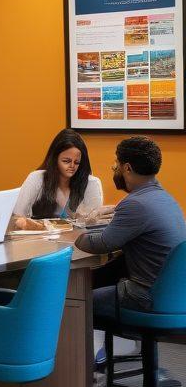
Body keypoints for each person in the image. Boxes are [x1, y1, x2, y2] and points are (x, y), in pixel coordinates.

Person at [76, 135, 186, 319]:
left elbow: (102, 244)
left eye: (116, 164)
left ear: (127, 168)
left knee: (75, 302)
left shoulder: (135, 203)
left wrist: (74, 235)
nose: (114, 168)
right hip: (174, 297)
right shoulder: (166, 199)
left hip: (148, 297)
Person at [11, 128, 107, 231]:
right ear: (54, 158)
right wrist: (33, 225)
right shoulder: (36, 178)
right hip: (39, 239)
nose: (72, 166)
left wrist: (92, 217)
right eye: (66, 161)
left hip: (78, 239)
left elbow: (93, 227)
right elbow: (16, 218)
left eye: (77, 162)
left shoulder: (91, 184)